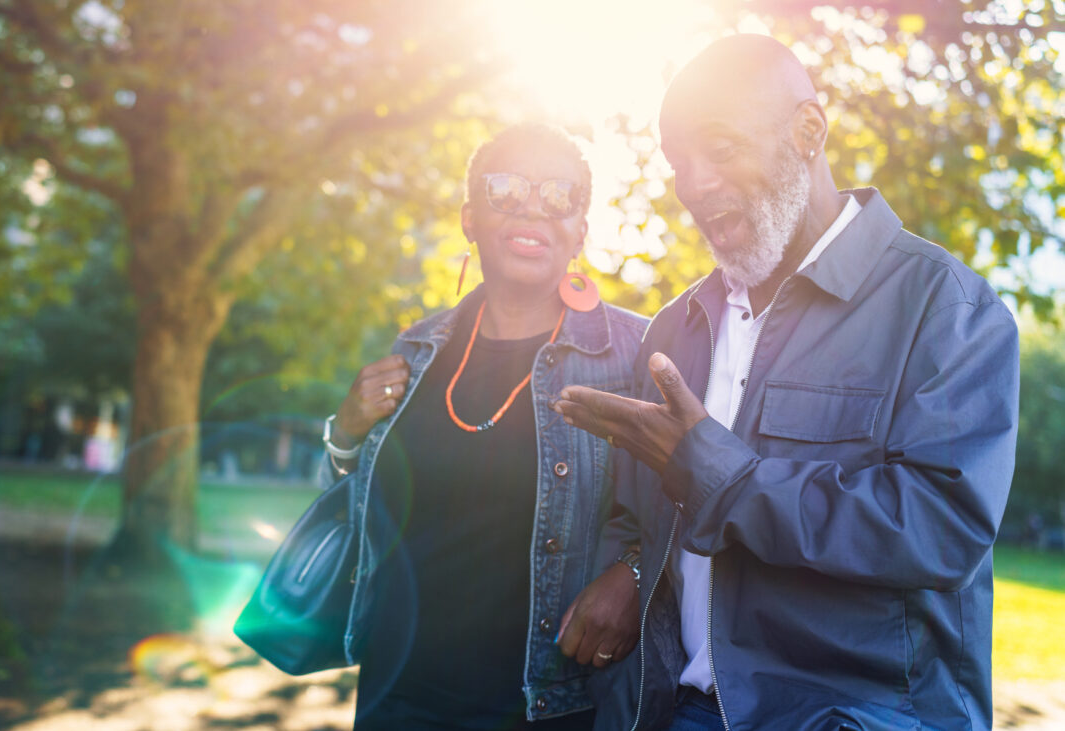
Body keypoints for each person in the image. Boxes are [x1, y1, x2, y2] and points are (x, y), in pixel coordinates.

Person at [554, 35, 1019, 730]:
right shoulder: (675, 327)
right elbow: (639, 514)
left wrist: (725, 478)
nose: (694, 184)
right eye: (678, 163)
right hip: (674, 708)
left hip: (852, 717)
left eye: (720, 148)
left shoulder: (945, 307)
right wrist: (631, 565)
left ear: (808, 132)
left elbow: (940, 528)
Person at [322, 123, 649, 729]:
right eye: (507, 190)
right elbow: (359, 508)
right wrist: (344, 433)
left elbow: (685, 509)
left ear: (580, 230)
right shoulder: (416, 349)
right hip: (396, 694)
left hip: (546, 705)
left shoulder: (637, 354)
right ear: (470, 218)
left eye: (560, 195)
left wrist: (632, 574)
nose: (534, 208)